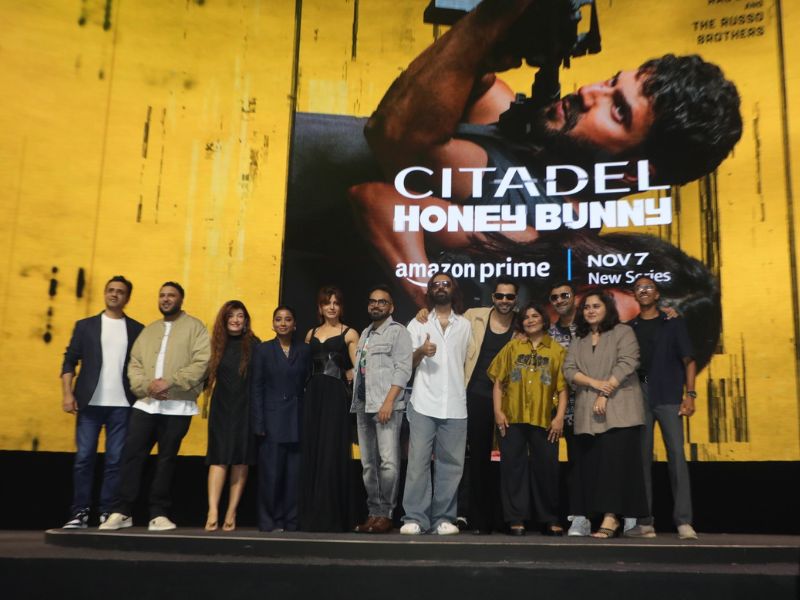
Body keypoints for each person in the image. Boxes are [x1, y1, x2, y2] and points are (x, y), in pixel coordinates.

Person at [353, 0, 742, 306]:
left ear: (630, 171)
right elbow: (475, 84)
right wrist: (494, 47)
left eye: (617, 110)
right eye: (610, 83)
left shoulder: (531, 219)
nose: (589, 92)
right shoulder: (543, 148)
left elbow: (394, 136)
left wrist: (494, 17)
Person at [100, 282, 210, 531]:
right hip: (146, 404)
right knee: (131, 456)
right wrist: (146, 387)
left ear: (181, 299)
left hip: (177, 406)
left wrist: (170, 382)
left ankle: (158, 514)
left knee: (166, 460)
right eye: (162, 295)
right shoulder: (149, 330)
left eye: (171, 295)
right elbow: (135, 364)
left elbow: (202, 363)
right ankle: (122, 511)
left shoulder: (196, 328)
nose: (166, 299)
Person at [414, 276, 518, 534]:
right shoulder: (474, 317)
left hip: (511, 399)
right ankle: (477, 519)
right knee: (477, 460)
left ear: (516, 300)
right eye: (500, 296)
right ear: (492, 298)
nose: (504, 300)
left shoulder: (523, 324)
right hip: (476, 395)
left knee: (512, 459)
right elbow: (444, 316)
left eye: (509, 296)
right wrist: (424, 312)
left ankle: (511, 517)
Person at [60, 276, 144, 528]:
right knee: (84, 459)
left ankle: (108, 511)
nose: (114, 294)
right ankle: (80, 513)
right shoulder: (85, 326)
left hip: (123, 405)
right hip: (89, 404)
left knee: (115, 461)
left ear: (127, 298)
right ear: (105, 293)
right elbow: (69, 360)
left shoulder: (137, 329)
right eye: (110, 290)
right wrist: (67, 393)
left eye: (120, 291)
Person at [562, 291, 647, 538]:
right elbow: (569, 370)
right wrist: (595, 384)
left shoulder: (623, 332)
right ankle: (595, 517)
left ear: (607, 308)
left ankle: (612, 519)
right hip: (588, 414)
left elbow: (628, 362)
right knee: (594, 468)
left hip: (620, 410)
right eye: (586, 307)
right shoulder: (579, 339)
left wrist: (605, 391)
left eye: (596, 306)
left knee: (615, 467)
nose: (590, 310)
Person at [624, 276, 698, 540]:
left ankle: (684, 522)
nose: (643, 291)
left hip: (668, 394)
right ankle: (645, 522)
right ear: (634, 295)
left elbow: (689, 360)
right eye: (639, 288)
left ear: (657, 294)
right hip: (639, 395)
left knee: (676, 455)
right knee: (641, 459)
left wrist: (690, 395)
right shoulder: (629, 328)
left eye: (649, 288)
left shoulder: (673, 322)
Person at [401, 273, 472, 535]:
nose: (441, 288)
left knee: (451, 466)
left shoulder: (466, 325)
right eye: (435, 285)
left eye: (446, 284)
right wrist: (421, 351)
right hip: (423, 403)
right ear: (429, 291)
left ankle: (444, 518)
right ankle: (414, 518)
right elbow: (405, 363)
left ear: (454, 289)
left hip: (455, 404)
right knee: (417, 464)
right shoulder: (417, 323)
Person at [488, 302, 567, 536]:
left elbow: (563, 388)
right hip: (512, 417)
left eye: (535, 316)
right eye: (526, 317)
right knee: (513, 468)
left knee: (547, 468)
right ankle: (516, 519)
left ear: (544, 319)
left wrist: (559, 418)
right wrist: (498, 411)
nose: (530, 320)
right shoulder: (512, 347)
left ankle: (550, 518)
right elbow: (498, 382)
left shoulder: (557, 350)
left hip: (545, 419)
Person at [351, 285, 413, 534]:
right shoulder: (365, 333)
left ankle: (386, 513)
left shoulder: (398, 332)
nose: (376, 305)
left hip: (386, 405)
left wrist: (388, 402)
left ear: (391, 307)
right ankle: (373, 513)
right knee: (369, 465)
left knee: (388, 463)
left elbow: (403, 369)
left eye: (382, 302)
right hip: (363, 405)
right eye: (372, 301)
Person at [300, 285, 359, 532]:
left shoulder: (349, 333)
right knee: (313, 450)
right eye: (327, 303)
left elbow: (360, 367)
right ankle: (311, 515)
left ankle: (332, 516)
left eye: (336, 303)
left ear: (341, 307)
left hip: (335, 396)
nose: (332, 307)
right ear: (320, 307)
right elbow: (304, 366)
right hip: (313, 395)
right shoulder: (310, 333)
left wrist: (350, 372)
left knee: (332, 451)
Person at [251, 305, 311, 532]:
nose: (283, 323)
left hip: (297, 419)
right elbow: (256, 388)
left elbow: (308, 382)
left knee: (294, 477)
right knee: (271, 476)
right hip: (271, 421)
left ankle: (291, 522)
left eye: (287, 319)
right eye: (278, 319)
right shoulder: (262, 350)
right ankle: (270, 521)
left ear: (295, 324)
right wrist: (258, 423)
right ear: (273, 324)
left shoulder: (304, 350)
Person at [203, 300, 259, 532]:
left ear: (245, 320)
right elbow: (204, 376)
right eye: (231, 316)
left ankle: (231, 511)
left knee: (240, 459)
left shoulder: (255, 345)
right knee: (218, 458)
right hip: (221, 408)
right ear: (224, 320)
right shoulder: (215, 344)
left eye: (240, 316)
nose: (235, 320)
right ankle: (212, 510)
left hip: (246, 409)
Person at [545, 280, 588, 536]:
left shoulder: (589, 329)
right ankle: (556, 517)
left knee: (582, 465)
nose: (560, 300)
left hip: (588, 407)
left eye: (564, 295)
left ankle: (583, 516)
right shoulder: (548, 333)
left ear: (575, 297)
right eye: (555, 297)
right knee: (552, 467)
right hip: (555, 411)